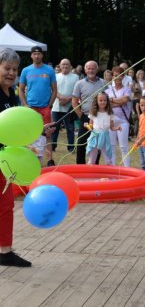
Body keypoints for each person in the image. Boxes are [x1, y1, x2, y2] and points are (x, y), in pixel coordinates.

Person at [0, 48, 55, 267]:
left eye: (15, 69)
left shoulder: (12, 95)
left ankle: (5, 250)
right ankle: (4, 251)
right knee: (4, 204)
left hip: (6, 157)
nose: (11, 73)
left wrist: (39, 131)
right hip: (2, 158)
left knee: (5, 204)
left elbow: (16, 127)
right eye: (7, 68)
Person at [19, 46, 57, 166]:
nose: (37, 56)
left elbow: (54, 89)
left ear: (42, 55)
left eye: (39, 54)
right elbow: (20, 89)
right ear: (31, 56)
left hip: (45, 107)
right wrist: (25, 104)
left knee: (47, 133)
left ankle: (50, 159)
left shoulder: (49, 70)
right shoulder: (26, 70)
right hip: (31, 108)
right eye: (34, 54)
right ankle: (32, 157)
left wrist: (50, 105)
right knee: (31, 133)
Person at [72, 60, 105, 164]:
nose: (91, 70)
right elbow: (74, 101)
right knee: (82, 142)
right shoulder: (79, 83)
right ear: (85, 70)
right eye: (89, 68)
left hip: (99, 117)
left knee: (97, 143)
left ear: (97, 69)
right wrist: (81, 116)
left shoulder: (104, 83)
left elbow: (108, 100)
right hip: (85, 117)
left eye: (93, 68)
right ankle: (80, 166)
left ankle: (95, 165)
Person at [105, 67, 131, 166]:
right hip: (110, 120)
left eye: (120, 76)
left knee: (123, 147)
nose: (118, 78)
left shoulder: (127, 89)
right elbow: (106, 105)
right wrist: (118, 102)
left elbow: (125, 100)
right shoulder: (108, 90)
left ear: (123, 77)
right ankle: (112, 168)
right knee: (111, 146)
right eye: (116, 76)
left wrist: (112, 100)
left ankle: (127, 169)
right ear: (112, 77)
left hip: (123, 121)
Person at [51, 58, 79, 152]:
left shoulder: (75, 77)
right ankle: (53, 146)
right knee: (54, 128)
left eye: (67, 64)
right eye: (63, 64)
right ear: (60, 65)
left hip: (70, 107)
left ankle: (71, 147)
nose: (65, 66)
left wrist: (67, 99)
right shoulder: (55, 76)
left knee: (70, 128)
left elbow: (77, 91)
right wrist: (60, 97)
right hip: (56, 106)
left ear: (70, 66)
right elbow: (52, 89)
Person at [86, 92, 121, 164]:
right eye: (100, 100)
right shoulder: (93, 112)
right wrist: (87, 126)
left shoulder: (110, 113)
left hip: (105, 137)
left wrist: (117, 128)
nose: (103, 102)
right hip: (95, 137)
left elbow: (112, 128)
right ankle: (90, 173)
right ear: (97, 101)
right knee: (92, 159)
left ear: (107, 101)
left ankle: (109, 174)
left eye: (105, 100)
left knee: (108, 158)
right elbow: (91, 126)